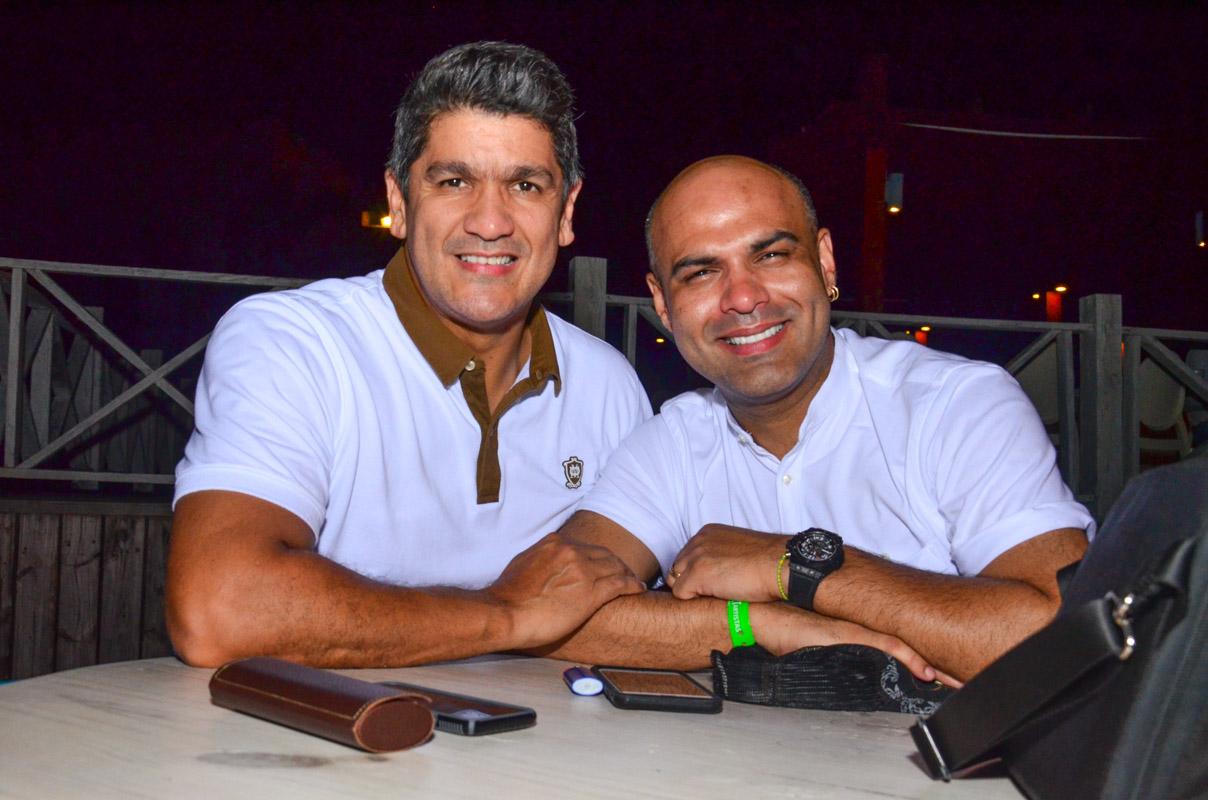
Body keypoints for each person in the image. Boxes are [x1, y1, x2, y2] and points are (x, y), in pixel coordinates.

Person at [165, 42, 651, 669]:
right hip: (341, 731)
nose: (491, 222)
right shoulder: (293, 343)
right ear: (398, 202)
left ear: (565, 213)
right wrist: (507, 612)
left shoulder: (610, 385)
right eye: (454, 182)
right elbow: (218, 609)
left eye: (525, 185)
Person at [545, 156, 1094, 682]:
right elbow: (548, 606)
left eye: (771, 255)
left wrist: (797, 567)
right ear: (663, 305)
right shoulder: (671, 443)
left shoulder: (957, 406)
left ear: (825, 261)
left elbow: (1068, 645)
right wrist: (758, 624)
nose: (743, 298)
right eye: (702, 272)